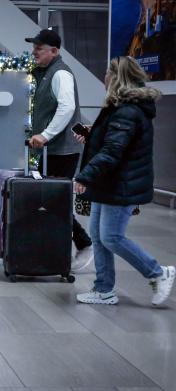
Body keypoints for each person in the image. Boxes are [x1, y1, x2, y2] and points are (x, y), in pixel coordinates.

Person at [74, 56, 174, 306]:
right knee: (98, 235)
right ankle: (104, 289)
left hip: (121, 183)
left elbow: (113, 151)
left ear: (117, 78)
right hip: (111, 182)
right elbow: (113, 143)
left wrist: (85, 176)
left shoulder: (127, 110)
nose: (104, 78)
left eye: (107, 73)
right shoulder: (122, 107)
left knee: (111, 237)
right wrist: (92, 136)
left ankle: (159, 273)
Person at [25, 29, 93, 268]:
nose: (34, 52)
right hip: (51, 150)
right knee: (48, 200)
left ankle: (84, 243)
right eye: (34, 47)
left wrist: (45, 135)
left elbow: (66, 108)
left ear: (54, 51)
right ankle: (53, 249)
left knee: (56, 201)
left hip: (62, 150)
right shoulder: (44, 73)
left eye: (39, 48)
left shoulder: (60, 74)